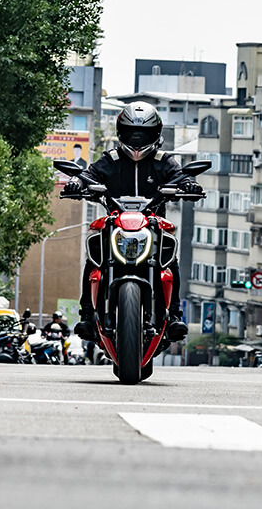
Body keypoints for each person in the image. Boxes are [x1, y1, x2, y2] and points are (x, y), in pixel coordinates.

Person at [63, 101, 200, 344]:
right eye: (131, 133)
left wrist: (189, 184)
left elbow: (179, 176)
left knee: (170, 259)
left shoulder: (163, 161)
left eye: (143, 134)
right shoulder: (111, 159)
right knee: (93, 257)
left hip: (152, 225)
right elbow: (89, 174)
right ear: (121, 133)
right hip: (115, 225)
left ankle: (174, 316)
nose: (137, 140)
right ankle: (87, 316)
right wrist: (77, 183)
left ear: (155, 134)